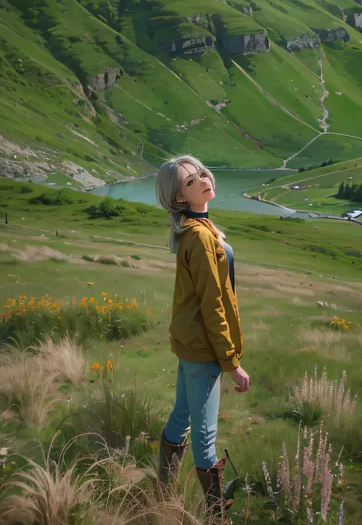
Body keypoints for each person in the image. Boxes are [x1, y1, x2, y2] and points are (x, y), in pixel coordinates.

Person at [155, 155, 250, 520]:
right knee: (205, 441)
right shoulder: (197, 235)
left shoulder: (202, 229)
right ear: (180, 197)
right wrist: (232, 364)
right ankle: (216, 515)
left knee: (182, 416)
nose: (204, 179)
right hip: (203, 350)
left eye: (202, 173)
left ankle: (163, 491)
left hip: (192, 344)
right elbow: (213, 304)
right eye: (191, 180)